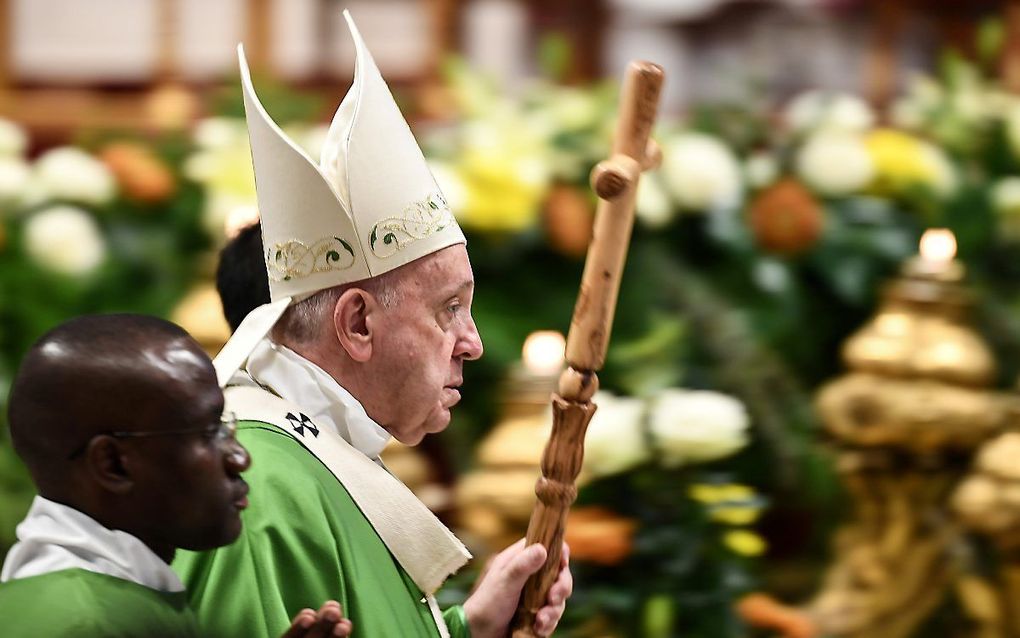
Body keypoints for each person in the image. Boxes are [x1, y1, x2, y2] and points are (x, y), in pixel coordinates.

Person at [174, 10, 571, 638]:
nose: (473, 342)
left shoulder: (319, 449)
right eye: (448, 309)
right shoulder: (257, 490)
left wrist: (472, 629)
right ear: (357, 323)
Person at [0, 314, 353, 638]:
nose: (240, 457)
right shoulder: (86, 625)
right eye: (209, 431)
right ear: (113, 464)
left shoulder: (106, 598)